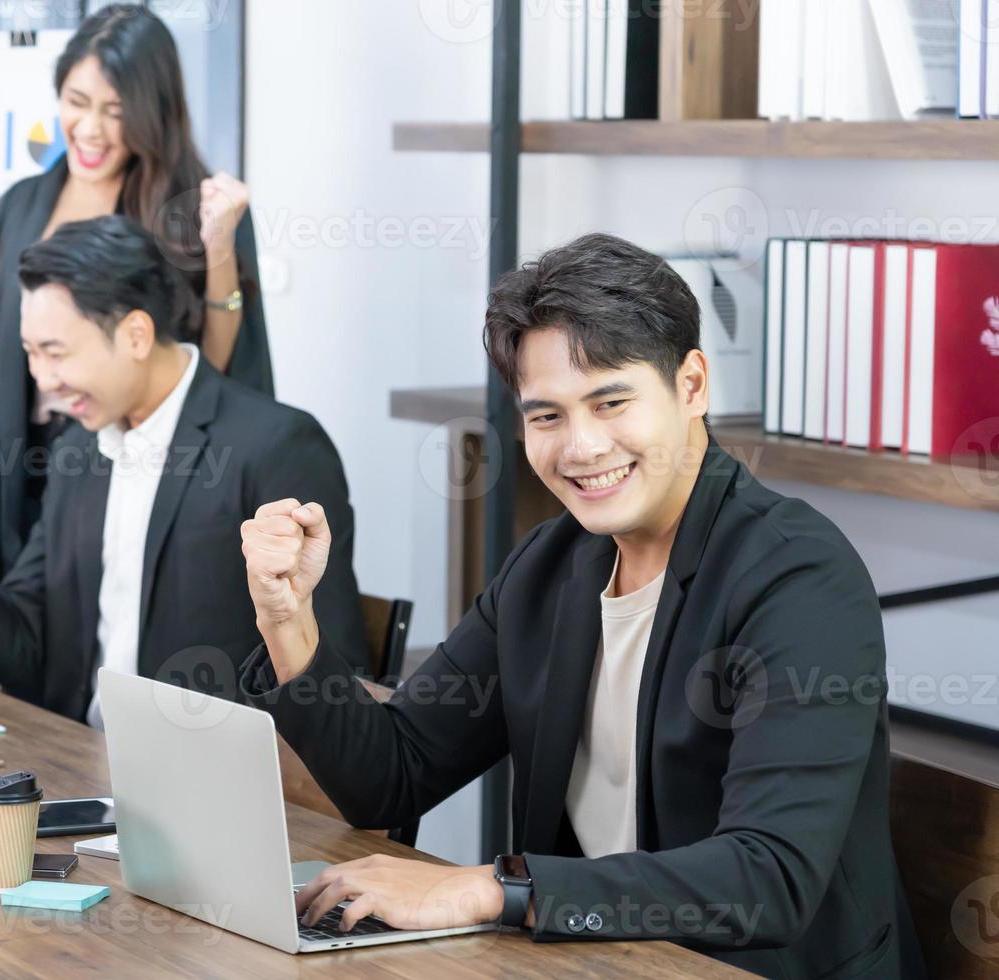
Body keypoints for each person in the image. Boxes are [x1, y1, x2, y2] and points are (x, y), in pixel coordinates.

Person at [236, 234, 922, 978]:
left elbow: (767, 880)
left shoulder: (797, 576)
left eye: (611, 401)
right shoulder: (551, 565)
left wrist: (486, 889)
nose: (583, 446)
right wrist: (286, 616)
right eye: (547, 416)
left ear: (692, 385)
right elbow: (392, 775)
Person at [0, 216, 360, 725]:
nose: (43, 380)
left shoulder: (274, 446)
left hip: (211, 780)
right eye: (30, 353)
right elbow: (25, 654)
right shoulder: (79, 453)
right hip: (80, 768)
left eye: (56, 353)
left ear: (136, 334)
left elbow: (332, 674)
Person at [0, 3, 272, 589]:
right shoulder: (20, 208)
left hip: (145, 479)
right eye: (77, 102)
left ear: (153, 114)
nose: (91, 130)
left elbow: (215, 368)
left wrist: (218, 253)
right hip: (34, 473)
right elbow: (7, 378)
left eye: (117, 111)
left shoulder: (195, 210)